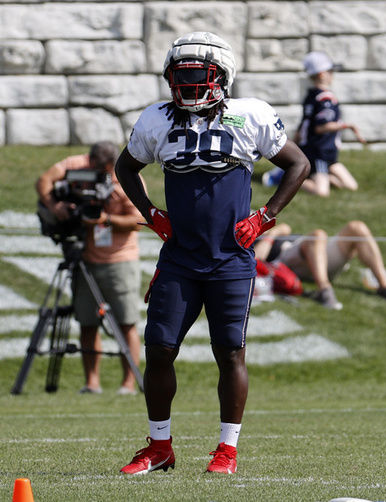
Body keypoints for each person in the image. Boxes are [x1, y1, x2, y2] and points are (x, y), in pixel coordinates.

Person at [114, 32, 310, 475]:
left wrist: (266, 216)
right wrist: (149, 213)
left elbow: (299, 164)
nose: (186, 87)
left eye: (197, 78)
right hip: (180, 258)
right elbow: (125, 166)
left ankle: (227, 450)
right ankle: (159, 447)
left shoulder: (251, 114)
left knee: (230, 352)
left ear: (221, 78)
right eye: (179, 78)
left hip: (230, 259)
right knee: (160, 349)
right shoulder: (156, 120)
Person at [36, 141, 144, 396]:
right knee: (87, 322)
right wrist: (55, 206)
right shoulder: (76, 166)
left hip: (120, 261)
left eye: (103, 169)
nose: (97, 171)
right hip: (85, 258)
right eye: (93, 166)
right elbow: (44, 180)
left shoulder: (126, 178)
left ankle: (129, 383)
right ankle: (92, 382)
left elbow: (139, 220)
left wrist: (106, 219)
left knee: (126, 322)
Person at [262, 51, 366, 197]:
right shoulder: (324, 99)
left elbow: (305, 124)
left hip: (329, 154)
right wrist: (347, 126)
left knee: (351, 186)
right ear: (322, 74)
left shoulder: (312, 96)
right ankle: (285, 178)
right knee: (322, 192)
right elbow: (321, 127)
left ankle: (309, 175)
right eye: (331, 71)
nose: (333, 74)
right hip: (319, 153)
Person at [253, 221, 386, 310]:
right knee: (318, 235)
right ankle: (324, 290)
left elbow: (285, 227)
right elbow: (257, 259)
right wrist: (271, 235)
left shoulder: (251, 216)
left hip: (310, 253)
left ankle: (385, 286)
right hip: (283, 262)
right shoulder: (237, 230)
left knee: (357, 227)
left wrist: (273, 231)